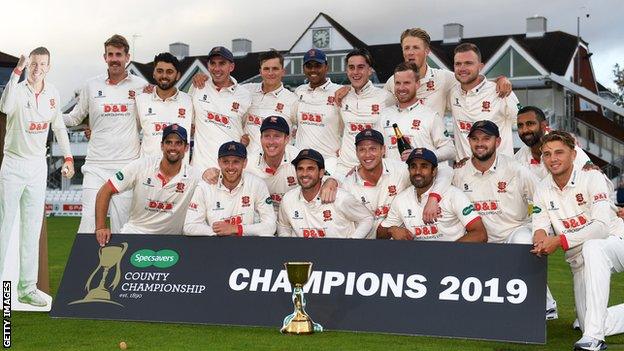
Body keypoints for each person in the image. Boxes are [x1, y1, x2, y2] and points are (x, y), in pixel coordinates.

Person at [453, 120, 558, 319]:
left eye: (486, 138)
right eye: (475, 139)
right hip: (481, 239)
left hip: (513, 232)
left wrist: (542, 229)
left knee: (523, 240)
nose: (480, 143)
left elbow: (542, 196)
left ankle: (543, 304)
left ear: (498, 141)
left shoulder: (516, 169)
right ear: (469, 142)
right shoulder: (459, 173)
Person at [530, 131, 624, 351]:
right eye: (547, 154)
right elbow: (540, 227)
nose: (553, 159)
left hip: (616, 241)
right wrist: (541, 241)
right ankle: (592, 329)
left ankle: (594, 339)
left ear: (573, 154)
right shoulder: (542, 188)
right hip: (579, 260)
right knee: (589, 320)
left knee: (593, 247)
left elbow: (600, 227)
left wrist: (560, 240)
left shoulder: (592, 177)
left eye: (559, 152)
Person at [0, 48, 74, 307]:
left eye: (42, 64)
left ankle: (27, 288)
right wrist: (15, 73)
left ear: (49, 67)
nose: (37, 68)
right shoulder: (17, 90)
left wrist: (68, 157)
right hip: (13, 163)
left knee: (32, 229)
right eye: (33, 64)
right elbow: (4, 106)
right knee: (4, 225)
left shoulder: (53, 93)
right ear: (27, 64)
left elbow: (59, 127)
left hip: (36, 166)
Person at [63, 34, 148, 234]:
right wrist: (47, 117)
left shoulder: (141, 87)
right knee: (88, 225)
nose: (114, 59)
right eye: (111, 54)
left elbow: (151, 120)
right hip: (96, 166)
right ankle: (86, 266)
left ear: (127, 57)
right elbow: (75, 118)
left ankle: (123, 266)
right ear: (105, 57)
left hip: (126, 165)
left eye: (119, 54)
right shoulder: (91, 85)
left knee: (123, 227)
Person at [94, 125, 200, 245]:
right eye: (168, 142)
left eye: (178, 143)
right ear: (162, 145)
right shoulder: (141, 166)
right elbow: (105, 190)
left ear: (186, 147)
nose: (173, 147)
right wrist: (101, 227)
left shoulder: (194, 176)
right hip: (135, 234)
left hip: (172, 241)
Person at [343, 129, 452, 238]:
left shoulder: (400, 169)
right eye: (362, 149)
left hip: (403, 242)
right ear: (356, 152)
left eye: (373, 149)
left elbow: (446, 171)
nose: (367, 155)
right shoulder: (348, 185)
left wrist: (433, 198)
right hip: (363, 245)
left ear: (383, 150)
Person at [382, 28, 512, 117]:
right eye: (406, 48)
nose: (410, 52)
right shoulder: (392, 82)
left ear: (427, 51)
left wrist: (499, 80)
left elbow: (474, 84)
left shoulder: (443, 78)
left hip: (434, 154)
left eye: (416, 47)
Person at [378, 148, 487, 242]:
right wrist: (391, 230)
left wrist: (448, 253)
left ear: (434, 171)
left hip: (452, 259)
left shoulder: (453, 195)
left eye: (424, 166)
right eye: (413, 166)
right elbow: (380, 234)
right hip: (416, 259)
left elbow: (480, 234)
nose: (417, 172)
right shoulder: (401, 199)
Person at [183, 141, 276, 236]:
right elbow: (189, 226)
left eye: (236, 162)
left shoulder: (257, 184)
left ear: (245, 163)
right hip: (216, 243)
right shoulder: (205, 186)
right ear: (219, 162)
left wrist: (236, 229)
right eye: (226, 161)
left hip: (247, 244)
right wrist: (219, 231)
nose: (230, 167)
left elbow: (270, 226)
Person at [277, 149, 373, 238]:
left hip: (338, 254)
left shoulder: (341, 198)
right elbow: (283, 226)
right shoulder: (288, 199)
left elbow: (367, 218)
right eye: (300, 169)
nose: (304, 174)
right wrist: (288, 246)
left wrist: (351, 243)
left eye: (310, 169)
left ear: (321, 173)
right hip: (305, 255)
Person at [449, 43, 519, 161]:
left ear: (480, 66)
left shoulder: (500, 91)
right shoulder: (452, 92)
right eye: (458, 64)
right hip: (465, 174)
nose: (462, 68)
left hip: (500, 174)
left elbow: (524, 123)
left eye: (468, 63)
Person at [190, 46, 251, 170]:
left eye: (222, 63)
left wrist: (244, 140)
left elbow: (246, 130)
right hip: (200, 169)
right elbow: (188, 123)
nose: (217, 69)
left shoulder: (244, 95)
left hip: (230, 170)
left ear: (231, 67)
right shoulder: (198, 86)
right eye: (213, 63)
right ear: (208, 66)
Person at [335, 48, 395, 176]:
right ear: (347, 71)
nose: (355, 72)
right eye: (351, 67)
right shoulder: (341, 96)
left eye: (360, 67)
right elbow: (339, 129)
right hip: (344, 168)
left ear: (369, 70)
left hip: (372, 168)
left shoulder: (385, 97)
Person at [381, 62, 454, 163]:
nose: (401, 88)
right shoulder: (384, 115)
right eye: (397, 83)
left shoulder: (430, 115)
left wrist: (422, 155)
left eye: (406, 83)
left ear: (417, 84)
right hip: (393, 178)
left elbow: (450, 149)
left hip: (421, 177)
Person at [135, 52, 193, 162]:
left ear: (178, 75)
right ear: (154, 73)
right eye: (160, 71)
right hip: (147, 172)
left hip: (179, 173)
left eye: (169, 72)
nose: (164, 76)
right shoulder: (141, 100)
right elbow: (130, 131)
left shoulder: (189, 101)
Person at [293, 49, 343, 173]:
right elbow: (292, 121)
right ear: (303, 68)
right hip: (301, 161)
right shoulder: (299, 91)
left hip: (329, 162)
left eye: (318, 65)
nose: (313, 70)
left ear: (326, 67)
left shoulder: (339, 92)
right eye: (309, 66)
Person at [241, 50, 297, 154]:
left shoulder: (292, 99)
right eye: (266, 69)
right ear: (260, 71)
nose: (270, 73)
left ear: (283, 71)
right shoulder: (246, 91)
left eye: (275, 69)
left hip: (275, 165)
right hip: (247, 163)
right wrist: (204, 79)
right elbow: (225, 87)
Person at [515, 105, 592, 179]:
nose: (524, 130)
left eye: (530, 124)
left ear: (543, 125)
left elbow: (593, 177)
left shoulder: (566, 147)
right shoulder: (518, 159)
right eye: (520, 126)